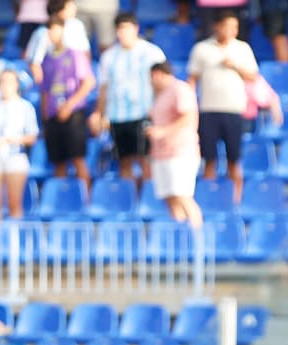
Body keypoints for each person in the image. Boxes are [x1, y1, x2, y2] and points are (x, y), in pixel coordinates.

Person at [187, 12, 257, 203]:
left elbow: (253, 76)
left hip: (234, 110)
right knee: (209, 159)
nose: (230, 31)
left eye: (234, 27)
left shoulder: (242, 49)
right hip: (209, 109)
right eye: (226, 26)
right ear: (216, 26)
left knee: (234, 160)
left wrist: (235, 66)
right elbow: (192, 79)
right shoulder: (201, 49)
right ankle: (209, 198)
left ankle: (234, 200)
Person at [91, 13, 163, 188]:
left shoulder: (152, 53)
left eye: (127, 28)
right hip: (118, 115)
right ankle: (128, 202)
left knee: (145, 160)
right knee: (124, 161)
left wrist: (159, 112)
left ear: (135, 29)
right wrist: (99, 113)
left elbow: (161, 84)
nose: (123, 33)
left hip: (144, 113)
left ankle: (147, 201)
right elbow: (104, 88)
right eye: (120, 29)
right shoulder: (108, 56)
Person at [38, 14, 95, 189]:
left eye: (56, 29)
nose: (52, 33)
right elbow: (45, 91)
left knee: (78, 159)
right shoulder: (47, 58)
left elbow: (89, 82)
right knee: (58, 162)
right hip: (54, 115)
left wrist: (69, 106)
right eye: (50, 30)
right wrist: (46, 118)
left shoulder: (75, 54)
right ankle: (59, 201)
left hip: (73, 114)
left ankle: (85, 202)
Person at [0, 69, 40, 225]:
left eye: (9, 81)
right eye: (2, 82)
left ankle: (14, 245)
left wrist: (7, 140)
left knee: (14, 205)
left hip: (15, 156)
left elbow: (31, 137)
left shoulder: (26, 107)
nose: (5, 85)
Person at [148, 61, 202, 228]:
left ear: (157, 74)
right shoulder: (161, 95)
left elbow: (188, 117)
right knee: (170, 197)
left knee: (183, 195)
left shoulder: (180, 89)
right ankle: (182, 240)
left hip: (180, 152)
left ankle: (198, 238)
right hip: (161, 153)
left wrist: (163, 131)